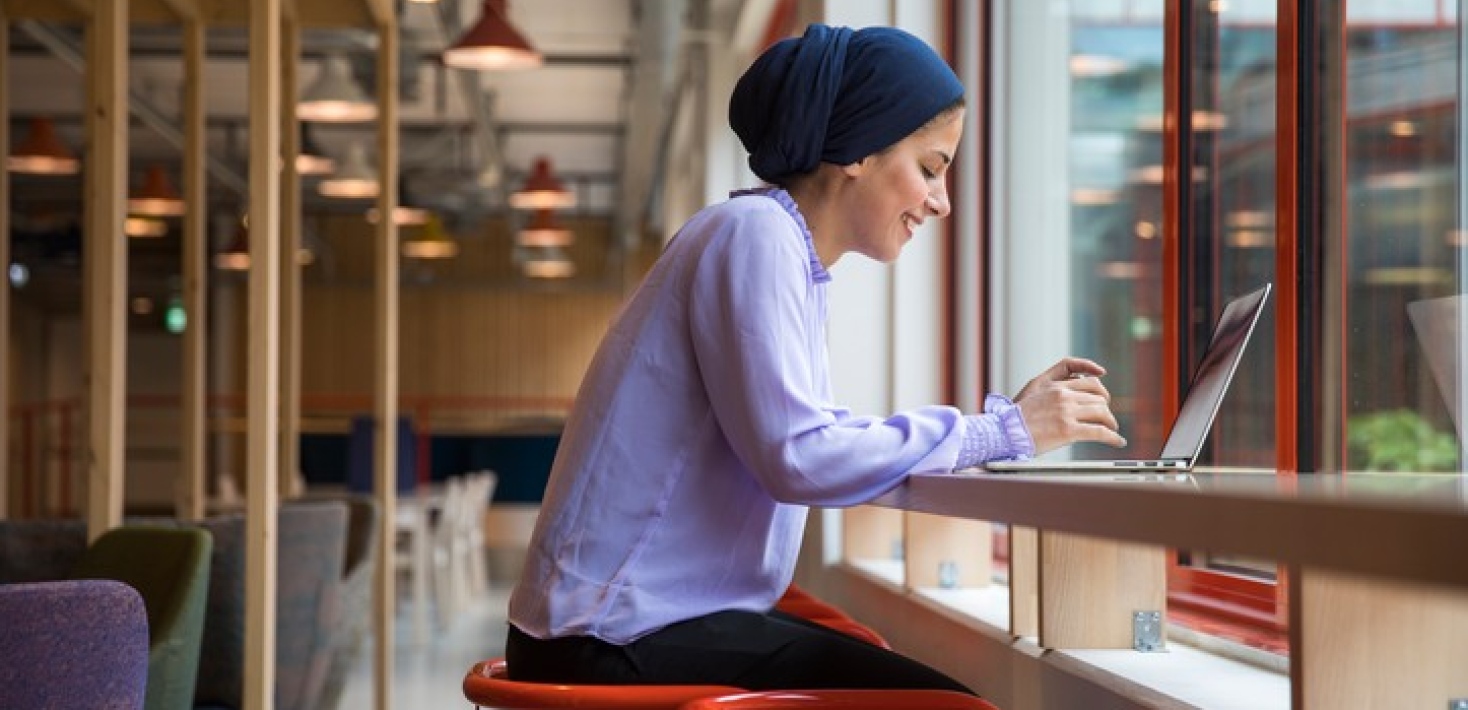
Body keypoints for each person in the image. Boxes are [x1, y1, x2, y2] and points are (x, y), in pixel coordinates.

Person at [505, 23, 1125, 694]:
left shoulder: (780, 253)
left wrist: (999, 434)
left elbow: (808, 448)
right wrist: (1004, 431)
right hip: (607, 633)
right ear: (857, 151)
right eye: (930, 168)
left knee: (885, 663)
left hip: (626, 621)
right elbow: (800, 455)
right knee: (943, 702)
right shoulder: (756, 235)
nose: (942, 203)